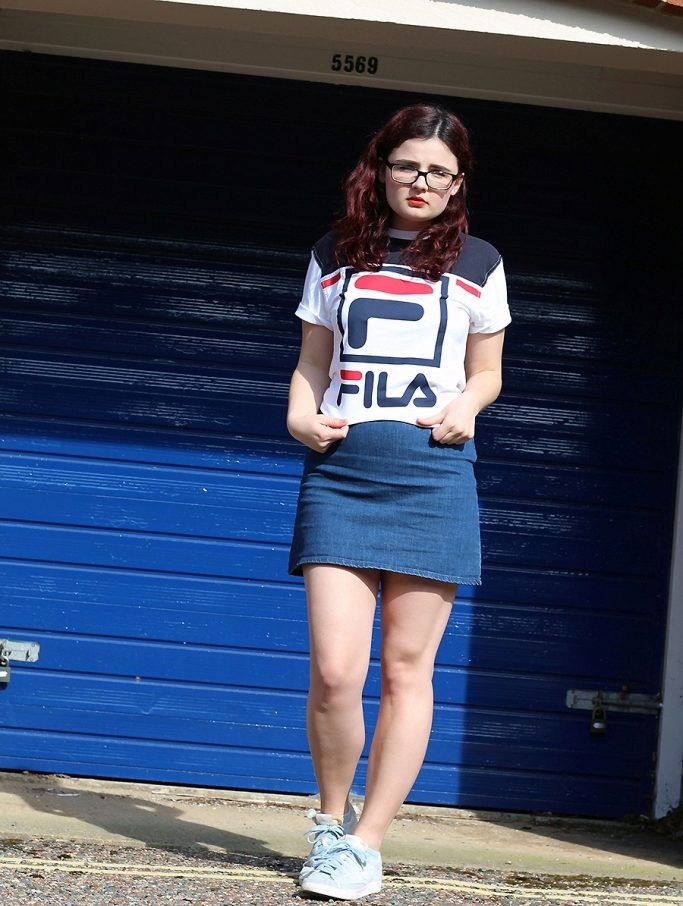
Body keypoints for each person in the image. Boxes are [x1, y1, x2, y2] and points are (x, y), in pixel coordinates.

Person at [286, 102, 510, 901]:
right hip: (342, 474)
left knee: (407, 671)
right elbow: (313, 361)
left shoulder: (478, 262)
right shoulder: (333, 254)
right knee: (334, 672)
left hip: (433, 476)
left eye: (438, 172)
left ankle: (365, 844)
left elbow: (486, 372)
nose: (421, 181)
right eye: (407, 165)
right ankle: (329, 821)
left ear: (457, 184)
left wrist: (468, 406)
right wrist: (298, 413)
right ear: (379, 169)